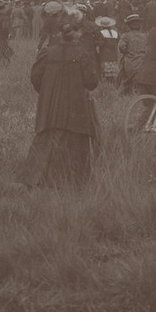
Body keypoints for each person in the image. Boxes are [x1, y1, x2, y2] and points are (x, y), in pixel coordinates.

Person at [20, 19, 102, 187]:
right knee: (76, 140)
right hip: (76, 106)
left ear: (60, 35)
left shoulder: (46, 53)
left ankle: (36, 180)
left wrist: (46, 92)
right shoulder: (83, 54)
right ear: (77, 35)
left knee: (46, 137)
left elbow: (35, 77)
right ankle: (73, 182)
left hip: (50, 105)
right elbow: (92, 82)